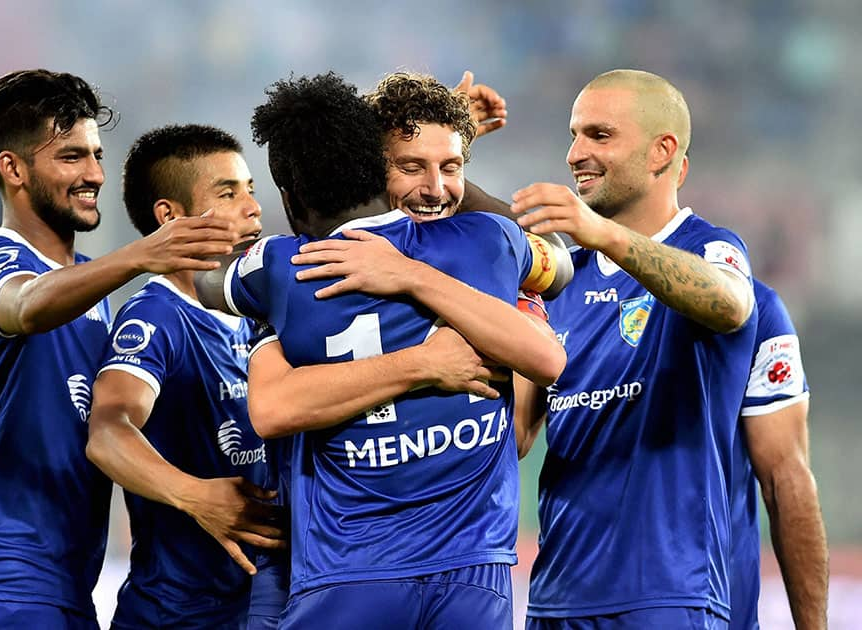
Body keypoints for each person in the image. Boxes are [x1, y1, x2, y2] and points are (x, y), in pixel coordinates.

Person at [198, 71, 565, 629]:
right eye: (411, 166)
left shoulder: (284, 267)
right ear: (371, 165)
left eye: (452, 167)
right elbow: (555, 263)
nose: (437, 189)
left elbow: (212, 281)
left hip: (357, 568)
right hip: (447, 568)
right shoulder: (489, 243)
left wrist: (409, 272)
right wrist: (421, 360)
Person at [0, 69, 237, 630]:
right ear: (13, 169)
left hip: (65, 588)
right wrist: (140, 255)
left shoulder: (93, 284)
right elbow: (27, 306)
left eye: (95, 153)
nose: (94, 173)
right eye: (70, 157)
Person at [513, 69, 758, 628]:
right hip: (556, 595)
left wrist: (602, 234)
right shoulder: (560, 283)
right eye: (573, 135)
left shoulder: (710, 248)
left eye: (599, 135)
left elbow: (731, 305)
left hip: (666, 594)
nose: (575, 153)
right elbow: (520, 434)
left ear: (661, 152)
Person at [81, 123, 284, 629]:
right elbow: (107, 433)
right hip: (177, 615)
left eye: (251, 191)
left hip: (263, 607)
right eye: (227, 192)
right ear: (170, 216)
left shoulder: (259, 311)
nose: (252, 208)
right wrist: (198, 497)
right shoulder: (155, 317)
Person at [730, 279, 828, 629]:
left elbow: (786, 480)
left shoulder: (754, 307)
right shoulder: (563, 291)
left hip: (708, 611)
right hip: (564, 605)